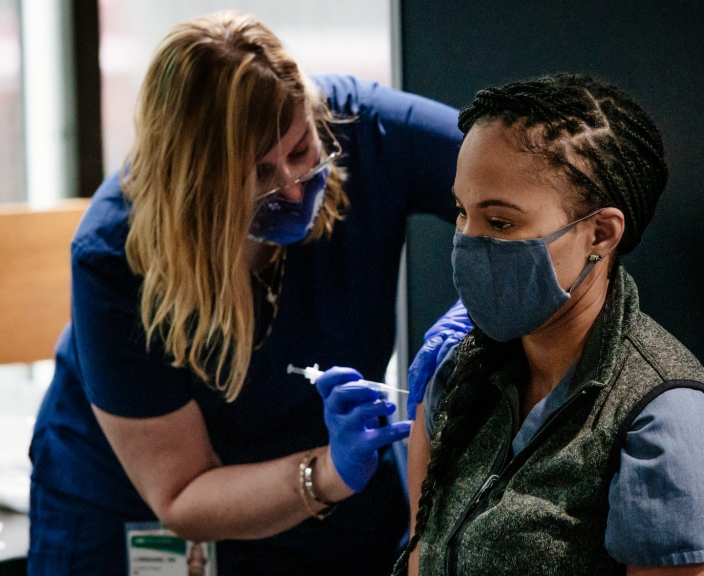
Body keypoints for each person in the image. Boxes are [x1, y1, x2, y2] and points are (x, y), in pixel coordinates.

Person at [27, 11, 461, 575]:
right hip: (134, 506)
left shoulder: (360, 126)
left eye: (301, 151)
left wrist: (477, 310)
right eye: (258, 173)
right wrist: (328, 473)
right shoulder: (118, 253)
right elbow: (182, 494)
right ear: (196, 184)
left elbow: (524, 174)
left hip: (330, 487)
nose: (295, 187)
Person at [394, 75, 704, 575]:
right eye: (461, 213)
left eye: (500, 223)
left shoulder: (667, 423)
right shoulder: (459, 377)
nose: (468, 242)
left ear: (600, 234)